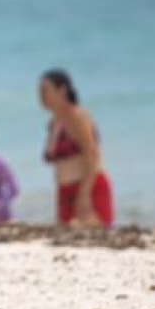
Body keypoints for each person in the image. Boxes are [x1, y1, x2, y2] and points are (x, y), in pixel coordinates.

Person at [39, 68, 113, 227]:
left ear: (62, 90)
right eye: (39, 91)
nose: (41, 96)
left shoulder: (77, 116)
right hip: (64, 189)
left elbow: (92, 154)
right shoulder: (55, 122)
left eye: (45, 90)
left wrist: (84, 194)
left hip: (87, 187)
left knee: (94, 242)